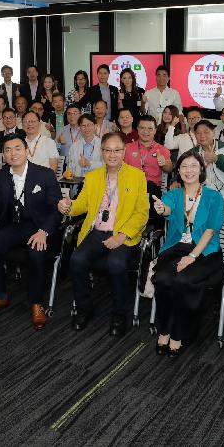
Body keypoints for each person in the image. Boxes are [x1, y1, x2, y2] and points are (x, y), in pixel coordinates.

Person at [59, 133, 149, 336]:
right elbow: (81, 204)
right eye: (107, 150)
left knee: (115, 264)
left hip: (123, 234)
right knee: (77, 260)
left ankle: (119, 314)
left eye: (117, 150)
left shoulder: (137, 176)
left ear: (124, 152)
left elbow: (142, 213)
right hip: (98, 231)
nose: (112, 154)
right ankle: (84, 308)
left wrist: (122, 236)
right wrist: (68, 206)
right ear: (102, 153)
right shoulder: (93, 177)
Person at [0, 135, 63, 329]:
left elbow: (56, 209)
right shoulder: (0, 176)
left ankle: (36, 303)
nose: (12, 153)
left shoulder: (45, 174)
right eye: (7, 150)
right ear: (3, 154)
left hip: (40, 226)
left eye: (17, 148)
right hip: (15, 226)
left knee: (36, 252)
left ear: (26, 151)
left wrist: (44, 232)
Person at [151, 150, 224, 357]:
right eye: (184, 166)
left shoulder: (213, 196)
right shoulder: (174, 194)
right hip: (176, 248)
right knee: (163, 279)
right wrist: (160, 207)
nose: (188, 170)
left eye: (193, 166)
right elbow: (167, 209)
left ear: (201, 169)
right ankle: (164, 329)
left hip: (204, 251)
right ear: (178, 171)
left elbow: (211, 230)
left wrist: (192, 256)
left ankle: (179, 333)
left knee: (184, 281)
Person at [190, 120, 224, 203]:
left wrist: (217, 159)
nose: (202, 135)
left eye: (206, 132)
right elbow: (182, 167)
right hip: (204, 196)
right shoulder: (193, 152)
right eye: (198, 133)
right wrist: (175, 181)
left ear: (213, 132)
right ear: (195, 135)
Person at [126, 115, 174, 190]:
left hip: (153, 189)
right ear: (137, 129)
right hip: (131, 188)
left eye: (150, 128)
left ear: (155, 130)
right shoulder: (127, 148)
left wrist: (164, 163)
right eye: (142, 128)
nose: (146, 131)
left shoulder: (162, 149)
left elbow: (169, 169)